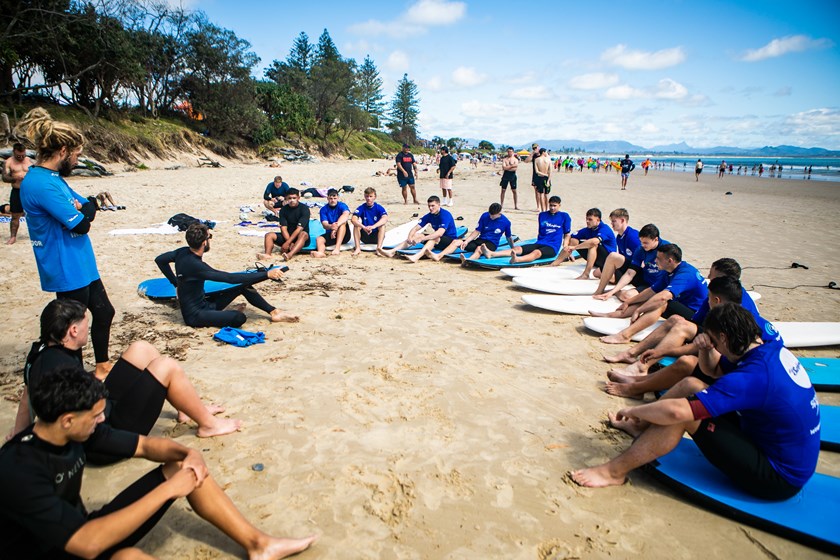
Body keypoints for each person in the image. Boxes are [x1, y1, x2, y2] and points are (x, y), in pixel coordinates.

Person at [0, 366, 317, 559]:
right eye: (96, 415)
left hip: (84, 528)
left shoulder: (79, 433)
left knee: (182, 468)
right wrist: (169, 491)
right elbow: (87, 544)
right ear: (67, 420)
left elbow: (148, 446)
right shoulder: (19, 469)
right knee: (130, 558)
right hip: (72, 545)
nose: (102, 420)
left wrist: (186, 454)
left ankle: (259, 545)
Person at [572, 303, 819, 500]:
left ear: (723, 337)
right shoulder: (761, 350)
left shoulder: (753, 377)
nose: (709, 342)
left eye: (711, 339)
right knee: (692, 385)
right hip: (766, 440)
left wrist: (636, 410)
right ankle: (639, 428)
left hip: (778, 477)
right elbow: (712, 372)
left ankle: (613, 472)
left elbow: (677, 413)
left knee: (683, 417)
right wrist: (705, 349)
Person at [10, 299, 240, 453]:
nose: (88, 332)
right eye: (86, 327)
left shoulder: (40, 352)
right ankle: (208, 425)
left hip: (100, 408)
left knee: (142, 349)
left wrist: (18, 437)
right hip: (103, 433)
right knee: (166, 366)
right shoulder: (66, 371)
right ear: (73, 331)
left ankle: (186, 408)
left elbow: (27, 395)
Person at [16, 108, 115, 379]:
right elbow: (83, 224)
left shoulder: (53, 179)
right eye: (76, 155)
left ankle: (102, 364)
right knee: (73, 328)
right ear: (62, 150)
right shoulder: (39, 184)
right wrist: (84, 211)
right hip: (64, 264)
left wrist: (85, 207)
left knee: (105, 311)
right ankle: (75, 375)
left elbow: (88, 206)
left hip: (81, 259)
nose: (76, 160)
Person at [604, 274, 782, 398]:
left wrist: (662, 352)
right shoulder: (732, 312)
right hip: (741, 359)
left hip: (751, 372)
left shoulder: (734, 323)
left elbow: (705, 346)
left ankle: (636, 385)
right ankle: (635, 372)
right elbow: (705, 340)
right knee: (677, 321)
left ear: (717, 300)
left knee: (686, 362)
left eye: (709, 296)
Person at [603, 258, 756, 370]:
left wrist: (666, 350)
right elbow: (698, 322)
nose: (708, 278)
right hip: (711, 332)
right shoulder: (714, 294)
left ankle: (643, 366)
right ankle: (631, 352)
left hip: (728, 346)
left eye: (712, 275)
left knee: (681, 325)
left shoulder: (738, 309)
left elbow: (726, 344)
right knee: (675, 319)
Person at [157, 223, 298, 327]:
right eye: (209, 237)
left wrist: (175, 283)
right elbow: (230, 278)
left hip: (205, 304)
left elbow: (160, 260)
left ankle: (274, 312)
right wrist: (266, 275)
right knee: (239, 317)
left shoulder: (181, 252)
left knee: (243, 285)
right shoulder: (197, 266)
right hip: (196, 316)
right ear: (204, 242)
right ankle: (221, 316)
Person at [592, 244, 707, 344]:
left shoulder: (685, 274)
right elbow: (652, 291)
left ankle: (624, 336)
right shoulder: (669, 270)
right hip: (683, 306)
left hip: (696, 316)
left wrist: (639, 310)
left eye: (658, 258)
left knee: (660, 303)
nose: (655, 261)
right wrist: (629, 301)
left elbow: (663, 298)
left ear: (670, 261)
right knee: (652, 297)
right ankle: (610, 315)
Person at [481, 195, 570, 264]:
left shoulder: (564, 216)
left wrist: (565, 248)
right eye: (551, 205)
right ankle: (492, 254)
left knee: (536, 252)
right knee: (518, 248)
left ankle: (517, 259)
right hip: (540, 242)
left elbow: (567, 234)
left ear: (559, 205)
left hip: (552, 246)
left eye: (555, 206)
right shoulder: (542, 215)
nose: (552, 208)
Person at [593, 223, 667, 301]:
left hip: (656, 285)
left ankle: (616, 292)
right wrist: (612, 291)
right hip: (644, 277)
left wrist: (613, 291)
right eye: (641, 242)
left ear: (656, 239)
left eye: (646, 243)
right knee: (613, 256)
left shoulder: (667, 249)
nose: (642, 245)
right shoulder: (641, 249)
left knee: (627, 296)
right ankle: (600, 291)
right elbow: (630, 273)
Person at [378, 196, 457, 263]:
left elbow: (439, 233)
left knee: (433, 238)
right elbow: (416, 228)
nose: (430, 208)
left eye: (433, 206)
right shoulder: (430, 215)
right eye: (429, 206)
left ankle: (417, 256)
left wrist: (422, 238)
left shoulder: (445, 215)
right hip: (439, 240)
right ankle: (392, 251)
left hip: (449, 240)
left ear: (439, 205)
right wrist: (410, 236)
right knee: (416, 235)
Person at [551, 208, 617, 280]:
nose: (587, 221)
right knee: (574, 240)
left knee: (593, 245)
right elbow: (570, 236)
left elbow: (594, 242)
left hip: (607, 259)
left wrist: (575, 247)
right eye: (587, 219)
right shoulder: (589, 229)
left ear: (598, 220)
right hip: (597, 260)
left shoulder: (604, 228)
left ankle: (586, 274)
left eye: (590, 219)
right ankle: (555, 263)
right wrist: (566, 246)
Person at [449, 203, 515, 265]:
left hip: (491, 243)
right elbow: (477, 231)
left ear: (499, 213)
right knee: (457, 242)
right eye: (490, 214)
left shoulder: (506, 222)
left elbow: (508, 237)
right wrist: (466, 241)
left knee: (479, 248)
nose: (491, 217)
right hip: (480, 239)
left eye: (493, 216)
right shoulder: (485, 216)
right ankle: (440, 255)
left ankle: (467, 261)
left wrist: (513, 248)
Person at [259, 188, 311, 261]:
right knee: (269, 235)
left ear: (298, 198)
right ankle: (267, 254)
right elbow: (283, 228)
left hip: (300, 238)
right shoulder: (283, 210)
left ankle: (290, 254)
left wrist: (288, 242)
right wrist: (288, 243)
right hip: (287, 236)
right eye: (290, 198)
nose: (292, 200)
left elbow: (299, 229)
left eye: (294, 198)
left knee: (303, 234)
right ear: (286, 198)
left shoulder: (304, 209)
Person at [2, 142, 32, 244]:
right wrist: (14, 178)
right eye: (18, 156)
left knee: (38, 213)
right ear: (14, 152)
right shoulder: (8, 162)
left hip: (30, 191)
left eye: (22, 155)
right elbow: (4, 178)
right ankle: (13, 237)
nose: (21, 157)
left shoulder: (29, 161)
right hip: (17, 191)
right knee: (15, 215)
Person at [311, 188, 350, 258]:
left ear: (338, 197)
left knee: (343, 223)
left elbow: (346, 214)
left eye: (334, 198)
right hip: (331, 233)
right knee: (319, 238)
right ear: (327, 198)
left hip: (344, 234)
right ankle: (321, 252)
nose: (333, 200)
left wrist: (336, 227)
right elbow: (324, 224)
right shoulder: (323, 209)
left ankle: (337, 248)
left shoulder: (342, 205)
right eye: (330, 198)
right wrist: (331, 227)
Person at [351, 187, 389, 255]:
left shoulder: (378, 208)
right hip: (365, 234)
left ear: (375, 197)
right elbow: (353, 219)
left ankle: (378, 248)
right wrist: (363, 227)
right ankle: (358, 248)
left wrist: (373, 227)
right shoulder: (362, 207)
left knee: (382, 226)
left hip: (375, 235)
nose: (369, 198)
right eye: (367, 196)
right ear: (364, 197)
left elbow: (385, 218)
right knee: (356, 226)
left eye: (371, 196)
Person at [532, 148, 552, 213]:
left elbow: (537, 171)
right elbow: (550, 171)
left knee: (541, 194)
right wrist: (548, 178)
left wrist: (544, 175)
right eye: (545, 152)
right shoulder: (548, 160)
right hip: (546, 178)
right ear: (543, 152)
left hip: (540, 178)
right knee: (546, 194)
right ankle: (546, 209)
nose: (546, 153)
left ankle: (543, 210)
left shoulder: (536, 160)